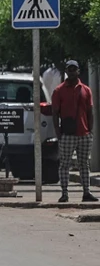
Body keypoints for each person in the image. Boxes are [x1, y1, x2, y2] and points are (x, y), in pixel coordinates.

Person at [52, 60, 96, 203]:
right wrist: (58, 132)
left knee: (84, 164)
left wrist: (90, 130)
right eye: (69, 69)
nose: (72, 72)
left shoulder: (86, 90)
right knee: (65, 164)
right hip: (67, 134)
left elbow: (90, 111)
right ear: (66, 71)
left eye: (74, 69)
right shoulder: (59, 90)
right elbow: (54, 113)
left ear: (78, 71)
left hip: (84, 134)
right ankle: (64, 193)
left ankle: (86, 192)